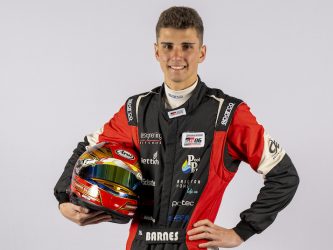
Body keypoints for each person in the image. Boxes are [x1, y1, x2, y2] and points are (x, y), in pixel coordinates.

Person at [54, 6, 299, 250]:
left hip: (192, 244)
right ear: (156, 51)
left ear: (202, 52)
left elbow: (284, 175)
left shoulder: (227, 115)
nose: (176, 56)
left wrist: (241, 231)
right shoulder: (136, 110)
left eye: (187, 46)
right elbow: (87, 149)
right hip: (138, 244)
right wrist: (65, 199)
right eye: (168, 46)